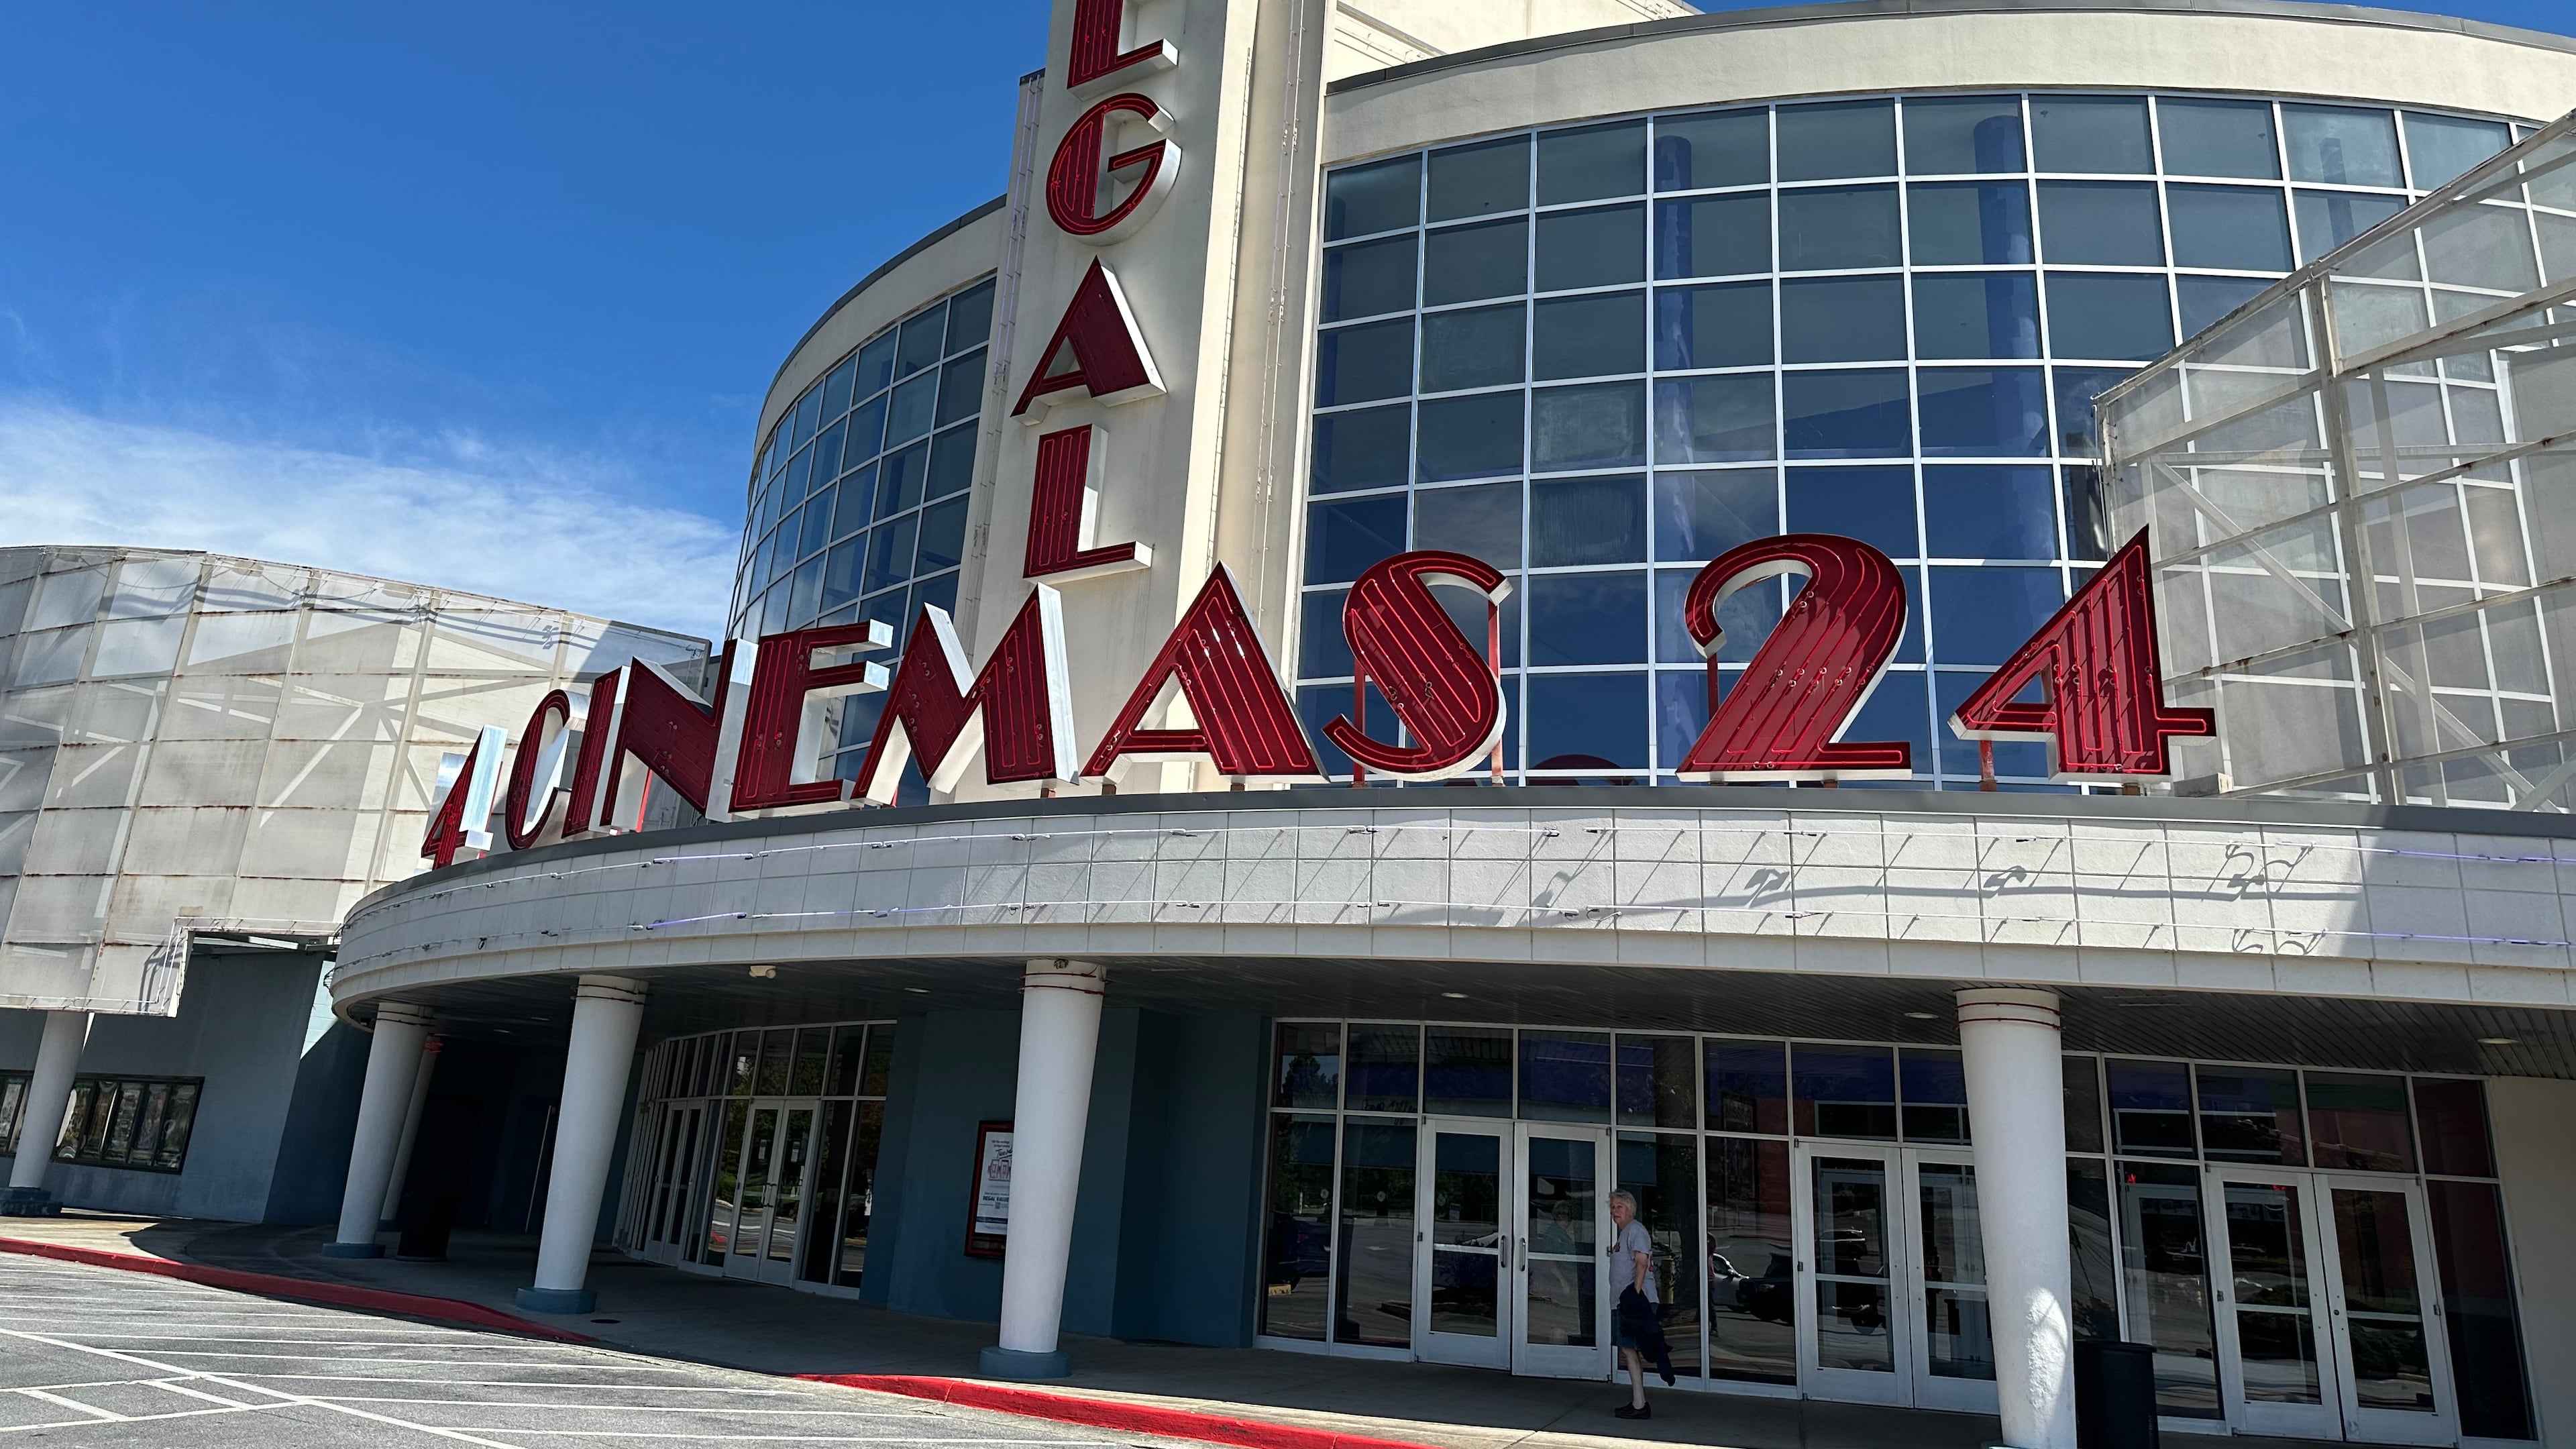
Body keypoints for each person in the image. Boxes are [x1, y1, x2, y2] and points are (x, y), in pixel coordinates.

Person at [1606, 1189, 1659, 1419]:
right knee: (1628, 1350)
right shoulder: (1624, 1234)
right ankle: (1638, 1402)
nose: (1615, 1211)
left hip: (1634, 1304)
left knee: (1631, 1349)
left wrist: (1635, 1296)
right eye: (1613, 1207)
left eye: (1620, 1207)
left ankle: (1640, 1405)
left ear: (1630, 1210)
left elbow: (1641, 1263)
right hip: (1623, 1303)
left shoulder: (1636, 1231)